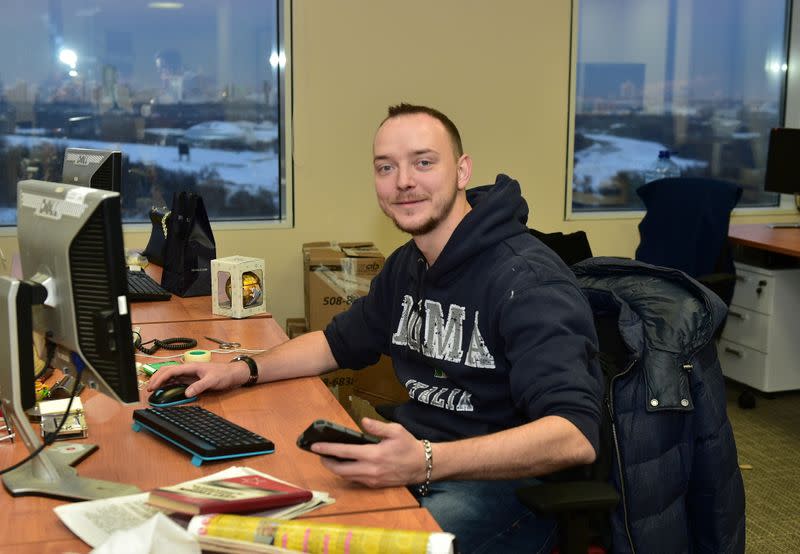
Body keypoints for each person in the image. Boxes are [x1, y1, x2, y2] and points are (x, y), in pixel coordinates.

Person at [148, 103, 603, 553]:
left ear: (462, 170)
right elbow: (334, 343)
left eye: (424, 162)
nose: (403, 181)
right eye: (386, 167)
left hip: (501, 488)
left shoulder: (527, 280)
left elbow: (574, 435)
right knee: (236, 518)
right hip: (414, 462)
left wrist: (426, 461)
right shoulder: (409, 264)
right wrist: (240, 368)